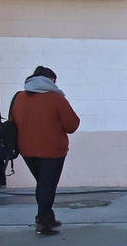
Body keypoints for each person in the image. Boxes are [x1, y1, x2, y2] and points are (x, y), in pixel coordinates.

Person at [9, 66, 80, 236]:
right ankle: (42, 222)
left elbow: (13, 122)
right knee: (48, 186)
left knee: (42, 184)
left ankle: (48, 216)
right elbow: (72, 125)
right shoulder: (56, 99)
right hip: (52, 150)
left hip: (26, 149)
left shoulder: (19, 97)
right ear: (50, 81)